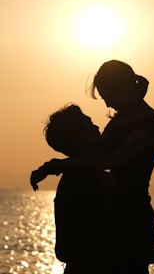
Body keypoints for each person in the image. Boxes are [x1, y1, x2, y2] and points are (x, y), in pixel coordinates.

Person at [31, 60, 154, 273]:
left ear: (121, 87)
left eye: (107, 96)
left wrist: (60, 165)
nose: (107, 105)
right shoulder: (122, 119)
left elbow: (115, 158)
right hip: (114, 208)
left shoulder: (149, 121)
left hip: (132, 210)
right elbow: (92, 148)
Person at [31, 103, 117, 274]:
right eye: (90, 124)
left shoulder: (77, 176)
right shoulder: (87, 180)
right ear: (81, 137)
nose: (97, 127)